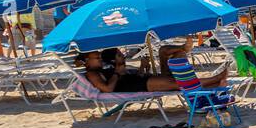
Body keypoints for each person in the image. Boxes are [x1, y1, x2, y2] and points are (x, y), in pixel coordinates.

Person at [79, 49, 229, 93]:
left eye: (99, 56)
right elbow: (108, 88)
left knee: (174, 80)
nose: (99, 59)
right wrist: (118, 72)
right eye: (96, 57)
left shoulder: (103, 68)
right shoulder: (92, 74)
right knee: (176, 83)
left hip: (138, 81)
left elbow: (123, 77)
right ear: (87, 61)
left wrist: (142, 68)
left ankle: (214, 86)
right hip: (137, 86)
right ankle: (215, 79)